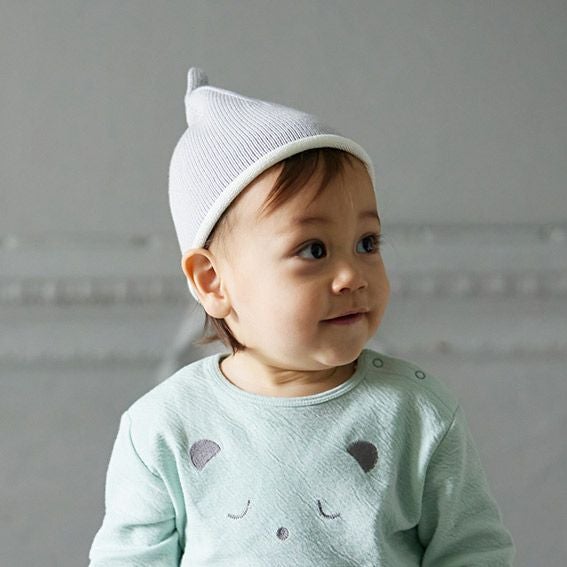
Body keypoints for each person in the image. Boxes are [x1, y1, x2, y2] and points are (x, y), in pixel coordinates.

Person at [88, 67, 516, 566]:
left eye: (367, 243)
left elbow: (474, 553)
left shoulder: (417, 413)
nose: (351, 275)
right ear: (212, 281)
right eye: (313, 250)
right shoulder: (163, 426)